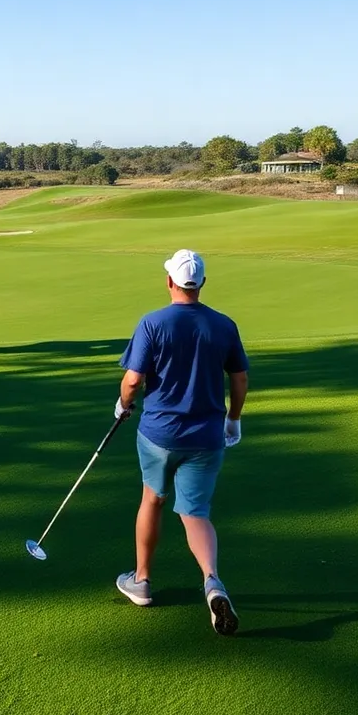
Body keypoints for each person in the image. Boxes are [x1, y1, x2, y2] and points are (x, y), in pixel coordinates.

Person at [112, 249, 249, 636]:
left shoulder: (153, 323)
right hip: (207, 436)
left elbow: (133, 381)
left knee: (152, 499)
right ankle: (212, 582)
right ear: (202, 283)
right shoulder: (224, 325)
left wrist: (123, 406)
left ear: (170, 281)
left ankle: (141, 581)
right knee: (195, 513)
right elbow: (239, 379)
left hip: (159, 434)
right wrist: (233, 420)